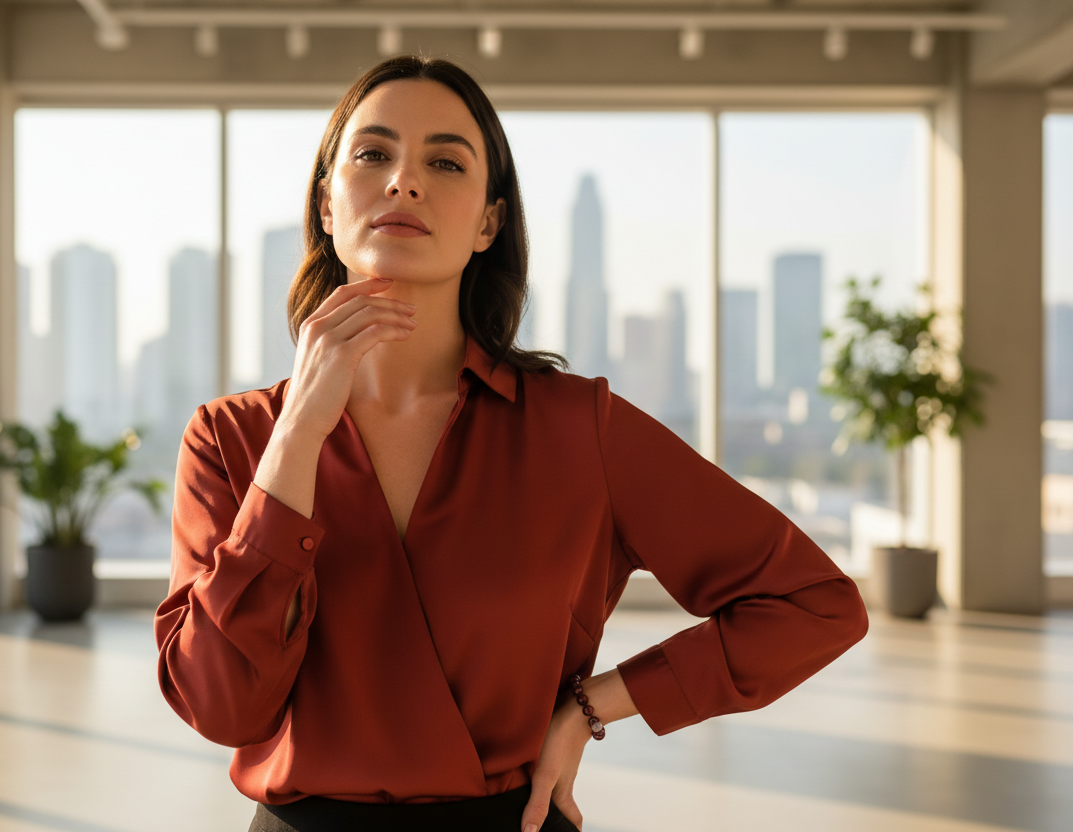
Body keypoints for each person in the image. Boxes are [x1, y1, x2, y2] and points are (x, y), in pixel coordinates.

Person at [154, 55, 869, 832]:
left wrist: (596, 704)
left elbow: (815, 603)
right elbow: (220, 705)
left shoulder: (577, 428)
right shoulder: (230, 440)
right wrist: (298, 433)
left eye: (444, 161)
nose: (404, 181)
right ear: (327, 202)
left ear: (488, 221)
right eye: (372, 154)